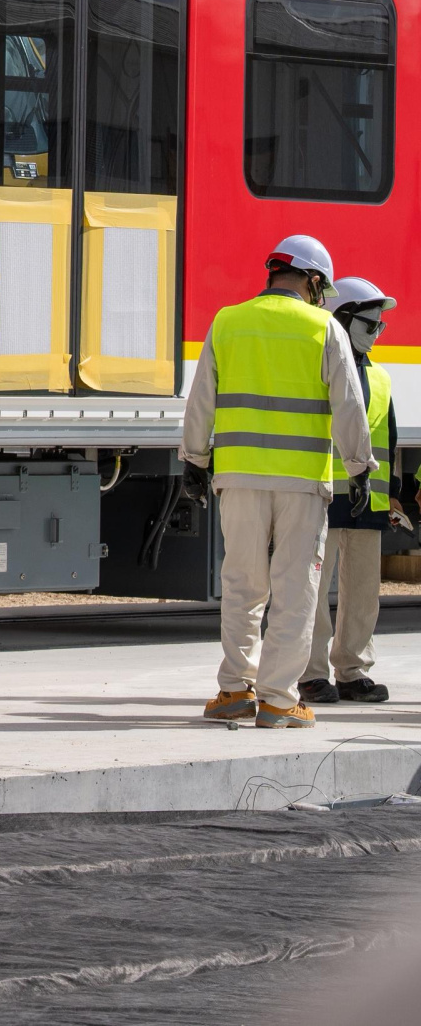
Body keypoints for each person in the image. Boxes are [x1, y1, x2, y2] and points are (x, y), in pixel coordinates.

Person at [179, 234, 370, 729]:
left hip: (238, 478)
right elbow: (349, 405)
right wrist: (359, 466)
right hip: (302, 482)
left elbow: (201, 398)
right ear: (311, 280)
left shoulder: (228, 321)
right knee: (295, 589)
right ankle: (280, 701)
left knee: (241, 584)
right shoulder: (324, 328)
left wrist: (195, 459)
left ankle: (232, 690)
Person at [304, 276, 398, 706]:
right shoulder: (316, 366)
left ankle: (353, 669)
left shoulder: (380, 378)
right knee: (313, 593)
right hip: (324, 497)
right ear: (342, 319)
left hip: (368, 503)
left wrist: (392, 493)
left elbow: (388, 439)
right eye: (370, 324)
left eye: (381, 326)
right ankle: (310, 673)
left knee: (363, 595)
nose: (377, 333)